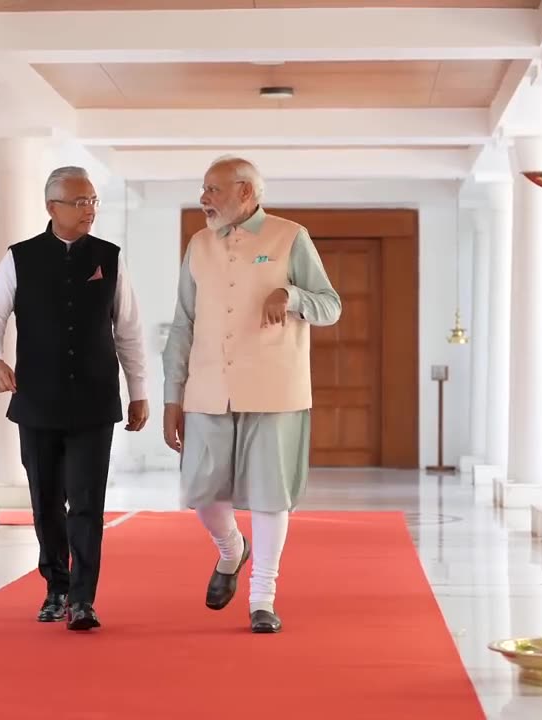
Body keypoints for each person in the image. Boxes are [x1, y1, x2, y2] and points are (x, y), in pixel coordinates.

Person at [162, 156, 341, 634]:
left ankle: (263, 597)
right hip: (206, 387)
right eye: (203, 189)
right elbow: (183, 323)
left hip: (274, 388)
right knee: (201, 492)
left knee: (268, 495)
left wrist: (293, 296)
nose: (204, 199)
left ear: (245, 192)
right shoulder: (198, 244)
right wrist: (171, 396)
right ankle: (230, 551)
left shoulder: (290, 236)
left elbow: (330, 305)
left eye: (212, 190)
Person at [0, 166, 149, 632]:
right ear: (52, 207)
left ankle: (82, 599)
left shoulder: (109, 258)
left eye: (93, 200)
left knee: (88, 501)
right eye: (79, 202)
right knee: (46, 499)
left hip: (95, 398)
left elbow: (129, 330)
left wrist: (138, 393)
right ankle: (55, 586)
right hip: (39, 399)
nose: (89, 209)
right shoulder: (20, 258)